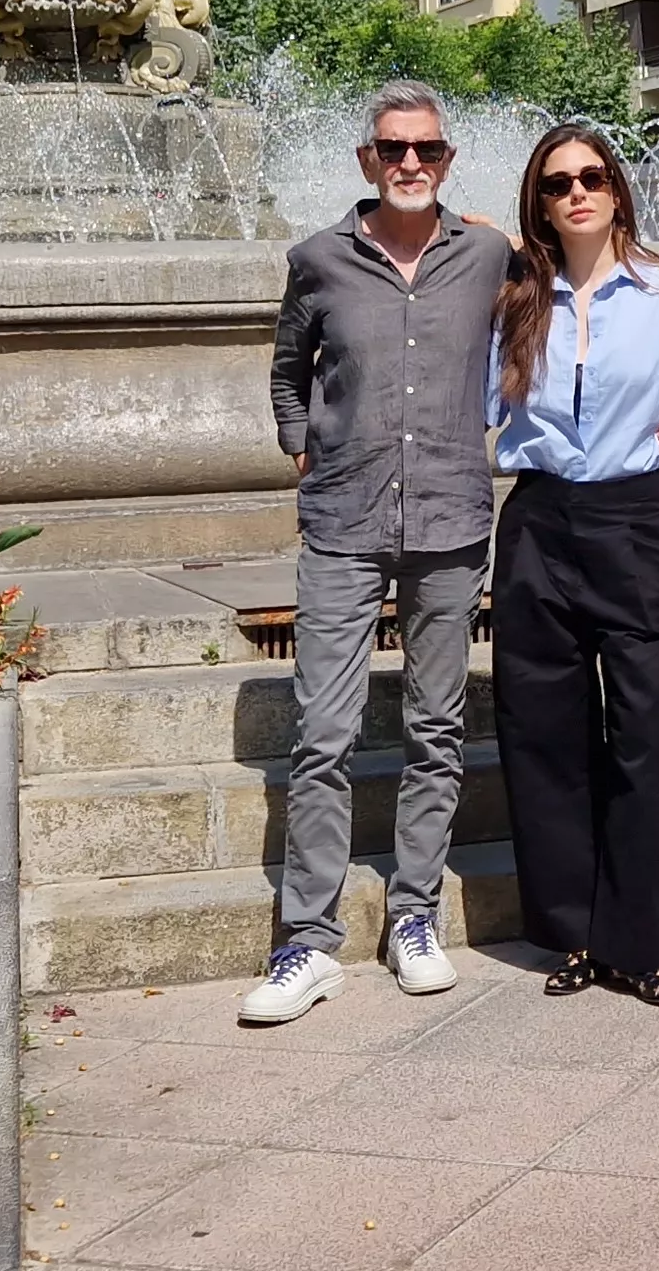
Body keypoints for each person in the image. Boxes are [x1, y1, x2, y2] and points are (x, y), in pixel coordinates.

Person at [244, 84, 501, 1025]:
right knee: (324, 732)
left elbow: (561, 323)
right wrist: (295, 437)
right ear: (365, 160)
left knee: (437, 731)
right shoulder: (318, 259)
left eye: (426, 150)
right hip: (344, 519)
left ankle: (415, 917)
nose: (409, 164)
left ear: (447, 159)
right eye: (393, 149)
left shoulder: (487, 253)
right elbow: (286, 365)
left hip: (449, 519)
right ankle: (306, 942)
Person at [487, 124, 659, 1008]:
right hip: (539, 525)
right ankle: (572, 938)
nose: (577, 193)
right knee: (546, 741)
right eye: (557, 185)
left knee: (643, 743)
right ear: (540, 204)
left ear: (619, 190)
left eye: (592, 177)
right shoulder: (516, 295)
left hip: (637, 521)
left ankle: (639, 946)